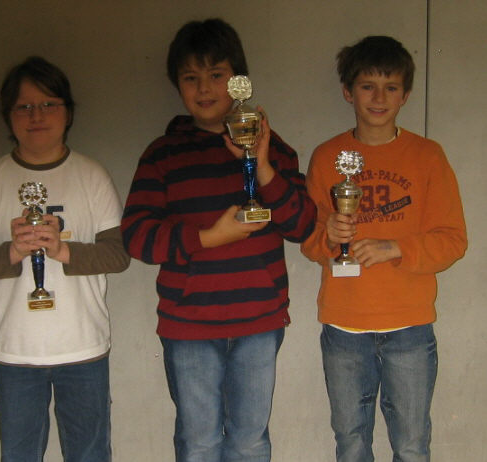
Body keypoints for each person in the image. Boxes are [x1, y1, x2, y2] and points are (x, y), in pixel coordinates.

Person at [121, 18, 316, 462]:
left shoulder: (273, 147)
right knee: (200, 443)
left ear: (238, 80)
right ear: (177, 85)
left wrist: (261, 166)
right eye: (191, 77)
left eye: (216, 74)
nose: (204, 88)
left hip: (259, 320)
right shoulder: (162, 154)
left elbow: (302, 225)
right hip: (189, 323)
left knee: (250, 442)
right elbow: (136, 236)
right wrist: (209, 238)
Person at [300, 36, 467, 462]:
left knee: (411, 446)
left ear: (405, 95)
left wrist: (395, 247)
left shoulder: (427, 156)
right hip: (343, 326)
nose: (379, 98)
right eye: (367, 86)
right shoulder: (327, 157)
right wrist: (329, 236)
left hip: (410, 327)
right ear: (348, 91)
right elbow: (310, 241)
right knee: (351, 444)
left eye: (390, 87)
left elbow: (453, 240)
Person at [0, 56, 130, 462]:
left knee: (90, 455)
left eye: (49, 104)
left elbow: (119, 253)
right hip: (15, 352)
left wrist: (62, 250)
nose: (37, 116)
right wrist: (14, 251)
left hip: (83, 348)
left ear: (67, 112)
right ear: (8, 115)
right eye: (24, 107)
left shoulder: (91, 175)